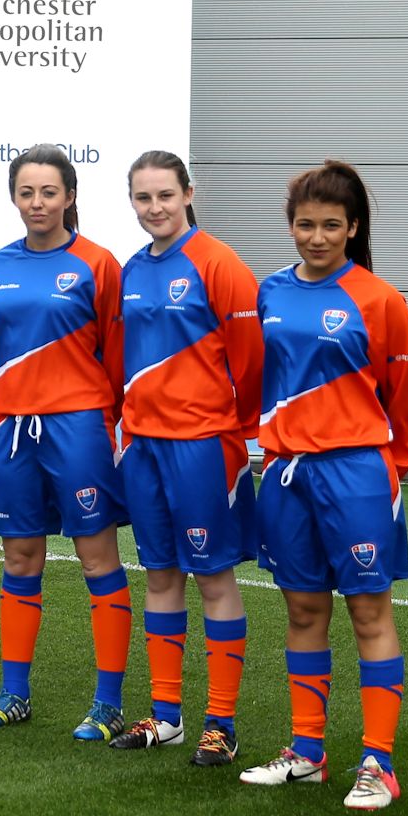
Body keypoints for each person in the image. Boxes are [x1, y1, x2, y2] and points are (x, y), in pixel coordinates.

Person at [238, 160, 408, 811]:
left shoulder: (379, 298)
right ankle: (308, 753)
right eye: (305, 224)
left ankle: (379, 762)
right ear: (291, 225)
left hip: (358, 477)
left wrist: (384, 470)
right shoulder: (270, 292)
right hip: (286, 475)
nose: (316, 236)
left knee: (368, 610)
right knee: (302, 610)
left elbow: (407, 399)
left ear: (352, 228)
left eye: (330, 225)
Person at [0, 143, 131, 741]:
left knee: (97, 558)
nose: (37, 203)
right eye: (26, 192)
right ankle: (15, 693)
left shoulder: (97, 262)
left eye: (49, 192)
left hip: (79, 428)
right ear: (14, 197)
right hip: (9, 430)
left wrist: (104, 421)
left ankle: (108, 703)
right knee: (18, 558)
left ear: (70, 197)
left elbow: (115, 355)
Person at [107, 151, 262, 766]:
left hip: (203, 447)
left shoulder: (218, 263)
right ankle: (166, 715)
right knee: (162, 575)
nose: (155, 208)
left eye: (165, 195)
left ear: (188, 193)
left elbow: (251, 358)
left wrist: (227, 425)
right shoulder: (131, 270)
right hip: (143, 446)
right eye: (143, 198)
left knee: (214, 579)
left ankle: (221, 723)